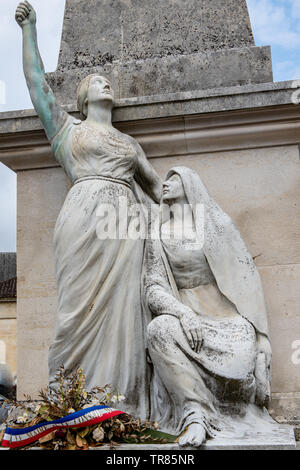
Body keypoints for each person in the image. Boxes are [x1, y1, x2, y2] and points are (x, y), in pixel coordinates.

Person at [15, 1, 161, 419]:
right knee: (75, 312)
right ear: (81, 99)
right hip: (82, 219)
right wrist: (30, 31)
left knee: (124, 314)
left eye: (106, 81)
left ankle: (120, 410)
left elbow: (155, 188)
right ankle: (71, 405)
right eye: (97, 81)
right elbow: (37, 82)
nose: (105, 84)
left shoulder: (130, 144)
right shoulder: (68, 131)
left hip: (125, 226)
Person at [143, 167, 274, 446]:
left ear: (190, 185)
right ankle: (196, 415)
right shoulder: (158, 234)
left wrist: (262, 338)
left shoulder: (217, 226)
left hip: (228, 321)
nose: (165, 184)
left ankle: (255, 368)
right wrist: (182, 312)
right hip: (186, 320)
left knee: (241, 362)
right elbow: (152, 287)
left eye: (174, 179)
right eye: (165, 180)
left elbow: (247, 280)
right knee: (158, 330)